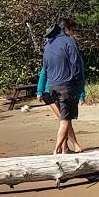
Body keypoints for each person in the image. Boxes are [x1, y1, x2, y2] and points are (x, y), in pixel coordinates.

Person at [37, 19, 86, 155]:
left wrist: (40, 91)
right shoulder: (69, 42)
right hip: (66, 86)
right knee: (65, 120)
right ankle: (57, 150)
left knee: (64, 119)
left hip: (52, 87)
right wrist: (78, 88)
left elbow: (45, 69)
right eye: (72, 30)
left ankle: (64, 150)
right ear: (67, 29)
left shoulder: (48, 46)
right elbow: (77, 66)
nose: (73, 33)